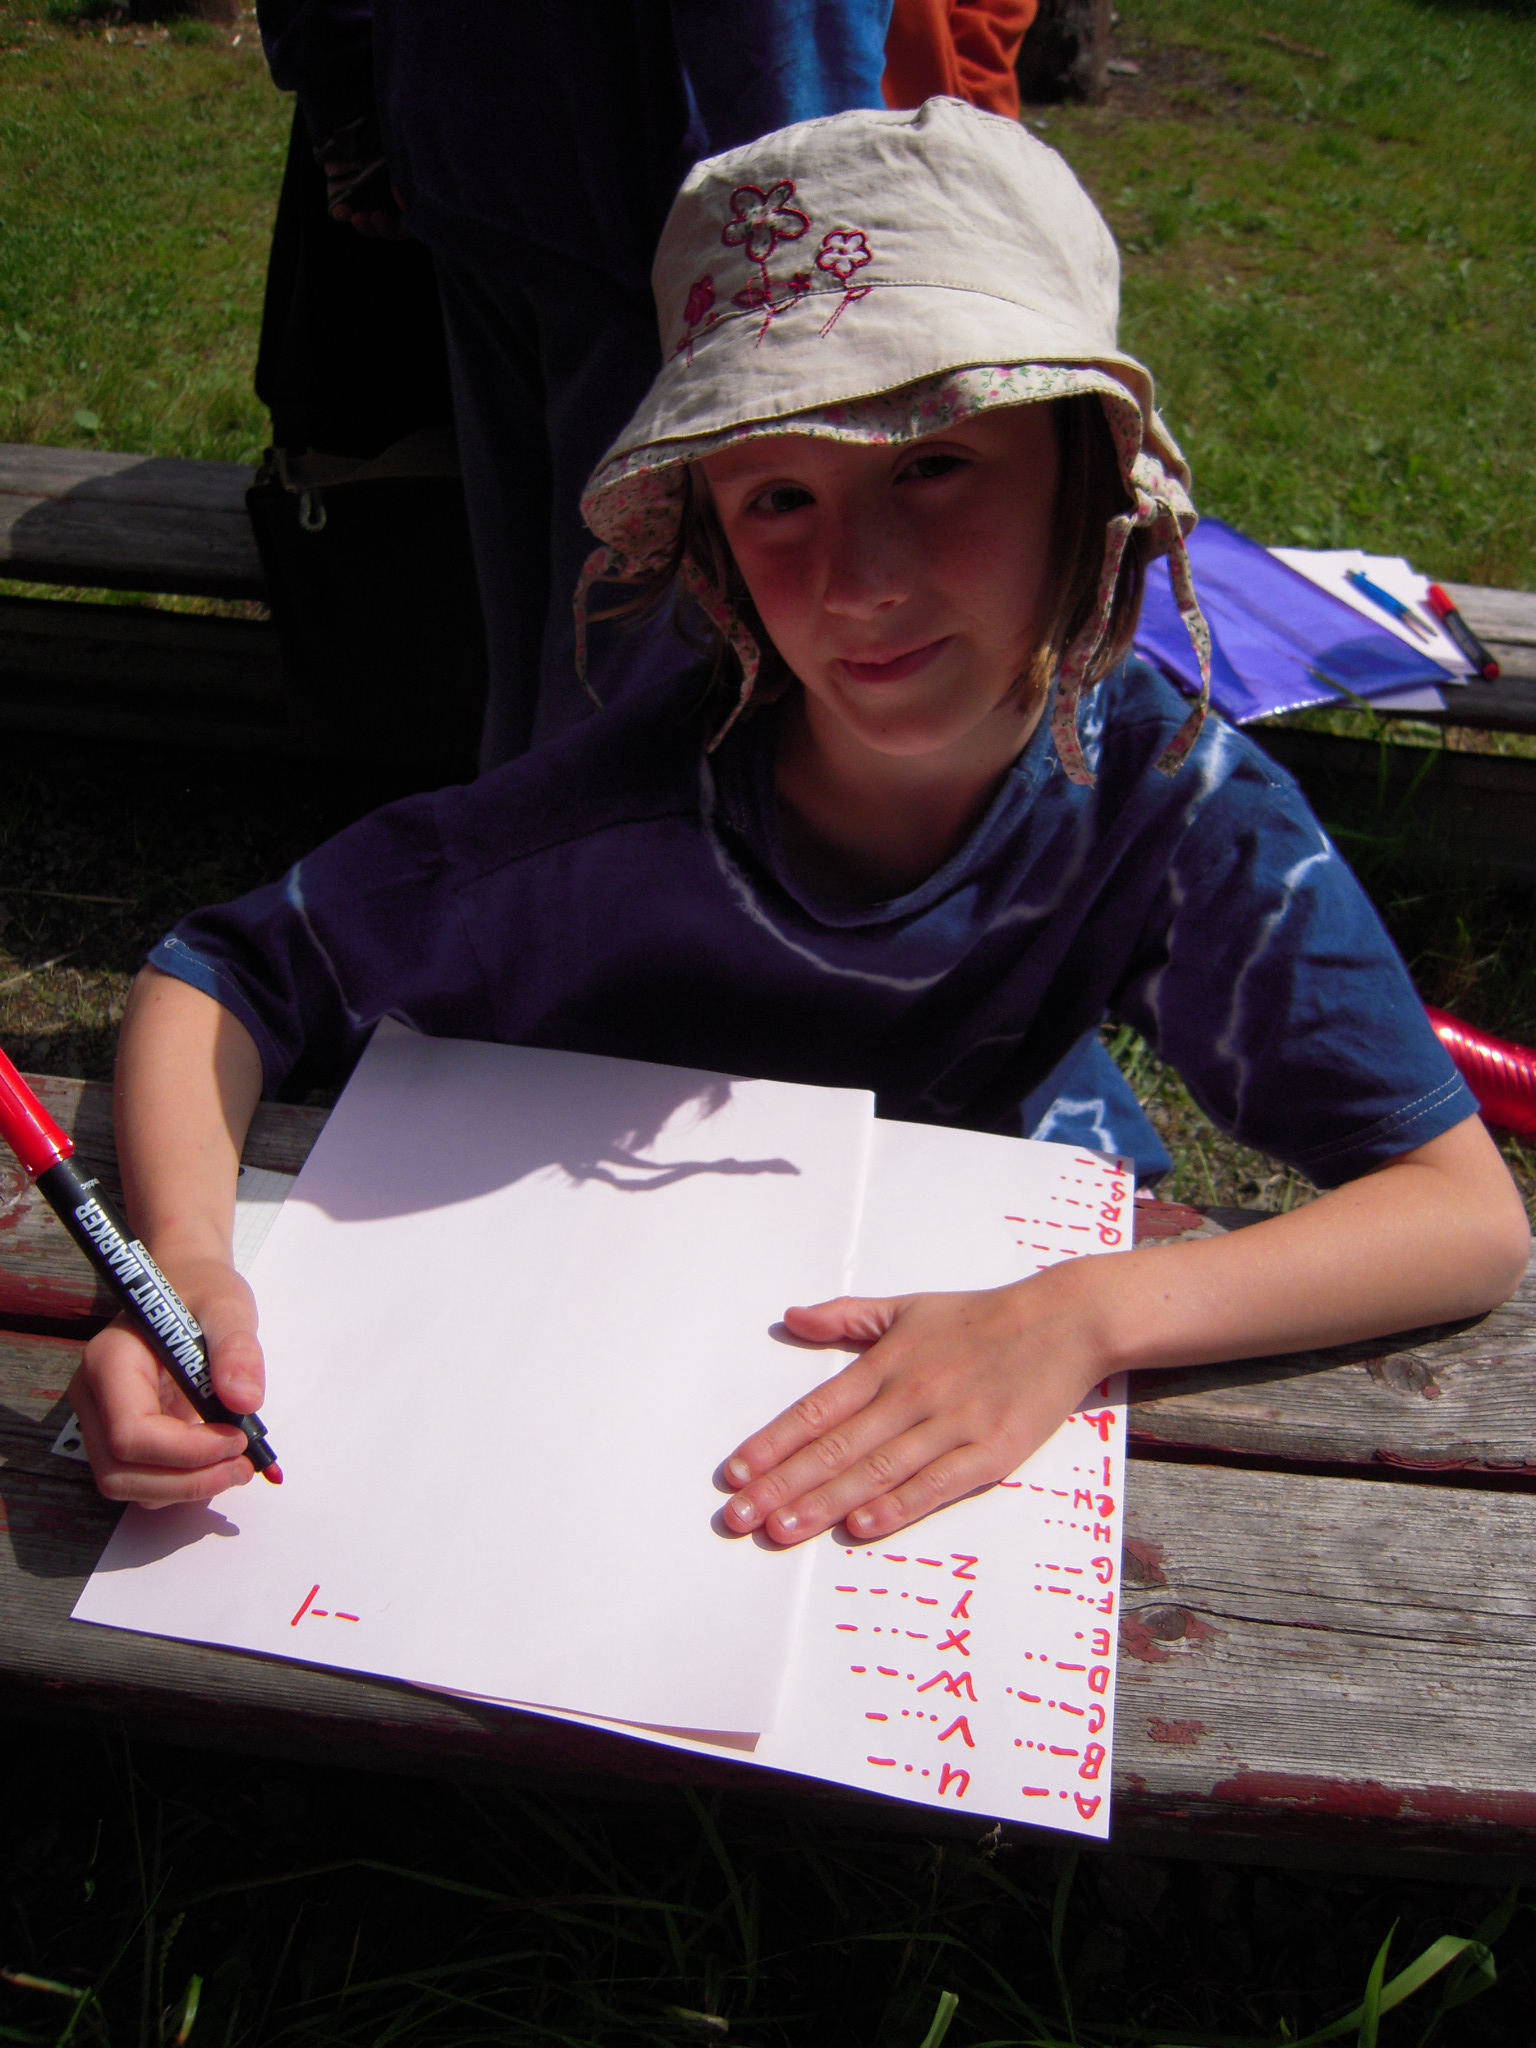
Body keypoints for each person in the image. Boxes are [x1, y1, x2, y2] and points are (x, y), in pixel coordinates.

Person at [70, 102, 1528, 1542]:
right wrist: (186, 1263)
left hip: (1003, 1292)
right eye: (777, 496)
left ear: (1090, 469)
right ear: (708, 539)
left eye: (934, 464)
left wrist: (1079, 1316)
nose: (858, 581)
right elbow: (223, 977)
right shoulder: (598, 831)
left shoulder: (1171, 799)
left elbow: (1460, 1215)